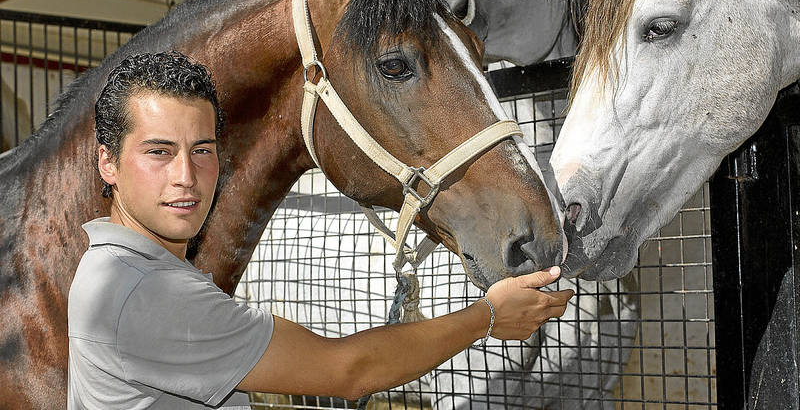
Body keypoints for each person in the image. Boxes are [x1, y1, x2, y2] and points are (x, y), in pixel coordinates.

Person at [67, 51, 574, 409]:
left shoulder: (116, 266)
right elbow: (348, 372)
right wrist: (488, 317)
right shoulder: (144, 292)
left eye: (202, 150)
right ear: (108, 163)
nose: (186, 176)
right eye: (158, 152)